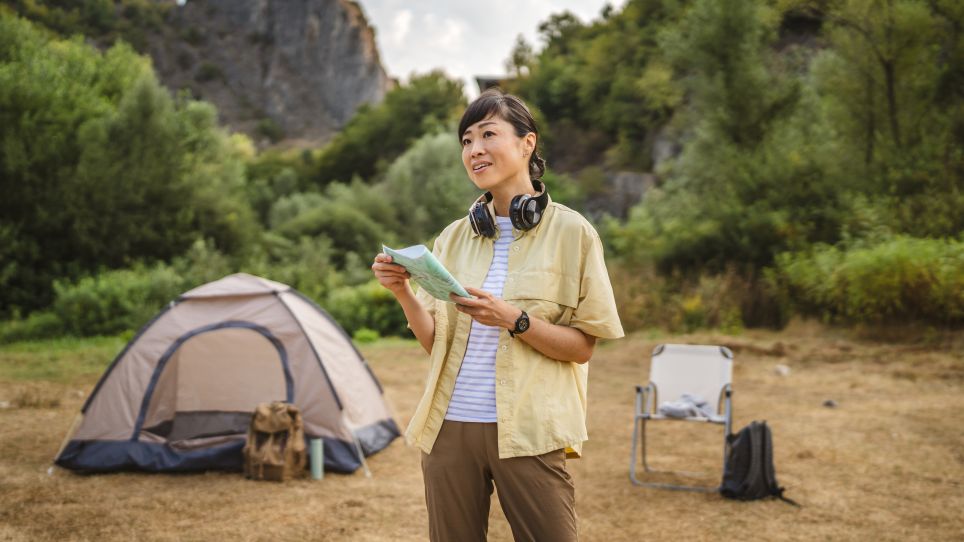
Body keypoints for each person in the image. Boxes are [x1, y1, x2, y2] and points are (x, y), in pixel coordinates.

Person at [371, 88, 623, 541]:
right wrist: (404, 293)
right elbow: (436, 344)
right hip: (450, 428)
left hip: (529, 427)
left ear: (527, 143)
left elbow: (583, 348)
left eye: (488, 134)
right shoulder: (451, 238)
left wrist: (515, 320)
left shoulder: (574, 233)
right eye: (466, 140)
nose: (475, 150)